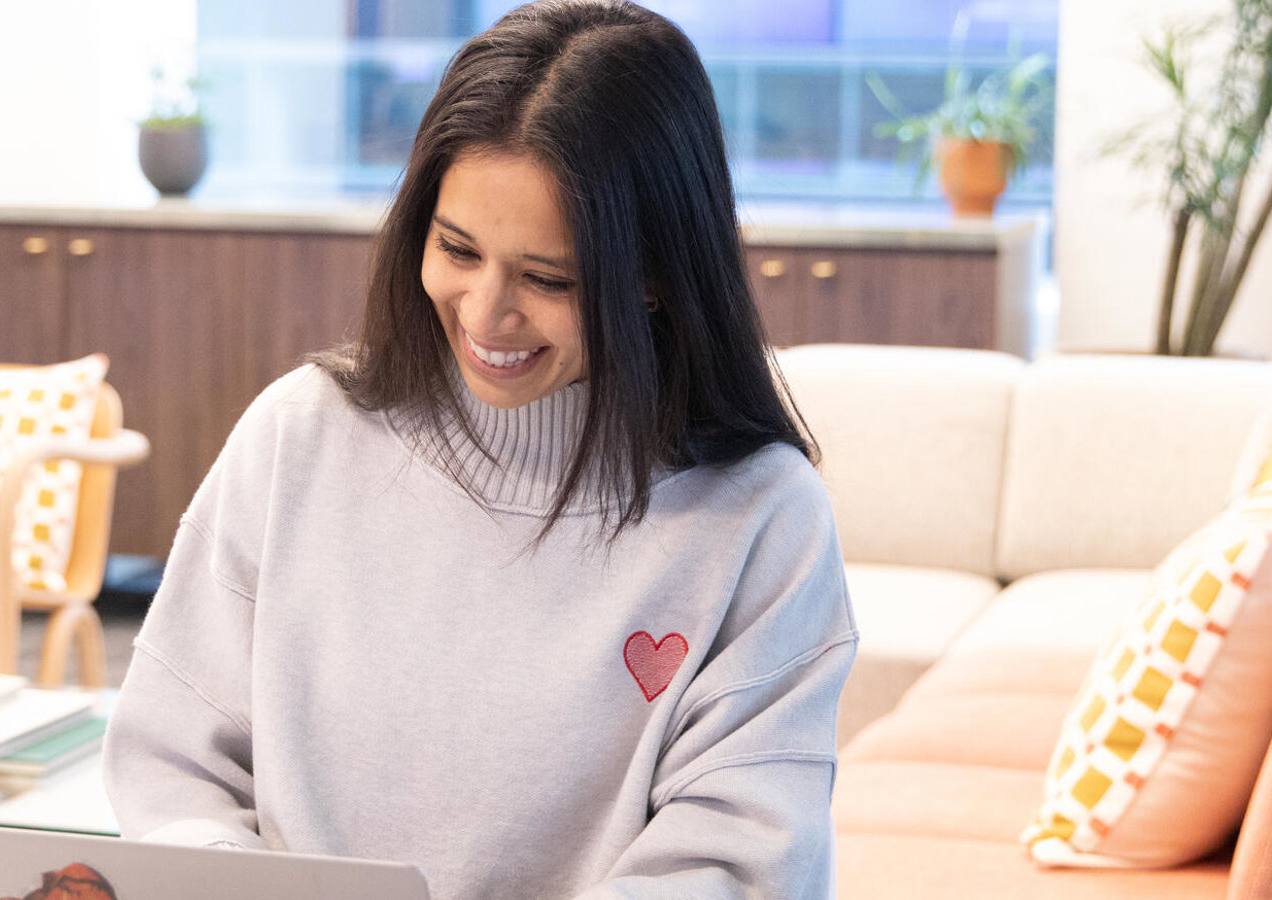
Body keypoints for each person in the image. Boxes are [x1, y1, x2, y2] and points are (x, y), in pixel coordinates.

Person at [102, 2, 858, 898]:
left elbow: (736, 862)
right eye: (457, 248)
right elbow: (175, 758)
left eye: (548, 278)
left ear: (654, 277)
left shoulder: (761, 519)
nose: (486, 313)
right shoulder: (298, 437)